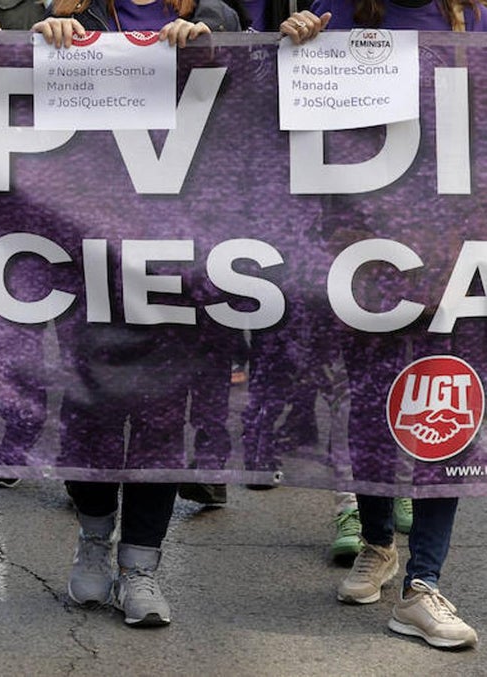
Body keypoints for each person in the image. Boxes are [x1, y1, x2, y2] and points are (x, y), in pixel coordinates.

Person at [32, 0, 240, 628]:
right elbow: (19, 92)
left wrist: (210, 48)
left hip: (183, 255)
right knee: (89, 410)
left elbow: (253, 94)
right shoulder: (81, 13)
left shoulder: (214, 15)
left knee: (161, 419)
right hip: (92, 256)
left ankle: (141, 568)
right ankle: (93, 539)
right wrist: (41, 38)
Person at [284, 0, 482, 650]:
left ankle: (422, 583)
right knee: (369, 405)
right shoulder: (339, 11)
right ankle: (377, 544)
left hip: (450, 248)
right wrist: (293, 48)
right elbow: (287, 122)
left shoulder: (470, 19)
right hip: (363, 250)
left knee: (441, 402)